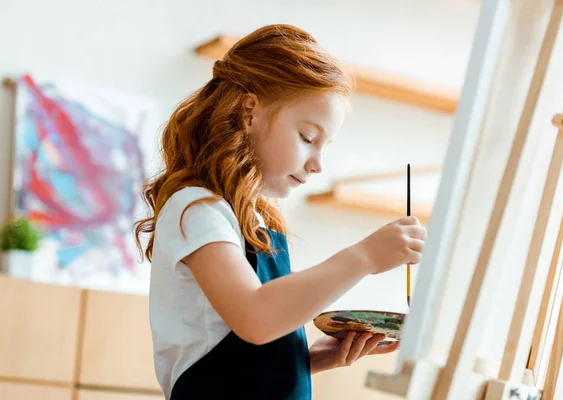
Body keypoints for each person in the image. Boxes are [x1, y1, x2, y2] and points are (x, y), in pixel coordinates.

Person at [134, 23, 426, 400]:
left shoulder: (257, 220)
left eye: (326, 146)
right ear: (249, 112)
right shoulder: (196, 207)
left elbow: (245, 355)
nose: (318, 163)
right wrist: (365, 255)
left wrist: (307, 358)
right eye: (307, 138)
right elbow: (256, 318)